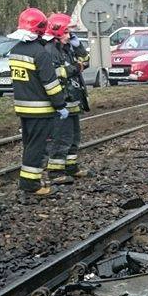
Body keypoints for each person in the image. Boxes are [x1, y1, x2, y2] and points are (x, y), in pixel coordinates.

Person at [7, 8, 67, 196]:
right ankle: (31, 184)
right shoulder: (40, 53)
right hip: (40, 109)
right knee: (38, 146)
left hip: (22, 107)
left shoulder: (15, 50)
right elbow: (51, 84)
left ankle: (29, 179)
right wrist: (60, 105)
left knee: (29, 144)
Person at [45, 14, 89, 181]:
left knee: (73, 136)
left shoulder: (68, 47)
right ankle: (55, 172)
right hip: (62, 100)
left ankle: (71, 167)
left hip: (73, 99)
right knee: (61, 138)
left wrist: (79, 48)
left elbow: (86, 61)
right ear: (57, 31)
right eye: (66, 32)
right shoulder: (50, 50)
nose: (69, 36)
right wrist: (76, 67)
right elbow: (57, 74)